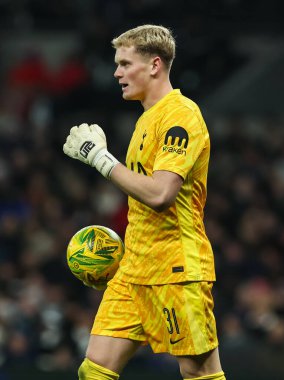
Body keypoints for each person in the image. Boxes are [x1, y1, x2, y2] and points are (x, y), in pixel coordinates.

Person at [63, 24, 226, 380]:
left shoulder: (180, 116)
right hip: (135, 268)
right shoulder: (145, 119)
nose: (117, 73)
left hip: (176, 270)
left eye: (124, 63)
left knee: (199, 373)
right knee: (94, 369)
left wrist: (99, 158)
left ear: (154, 65)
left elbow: (160, 194)